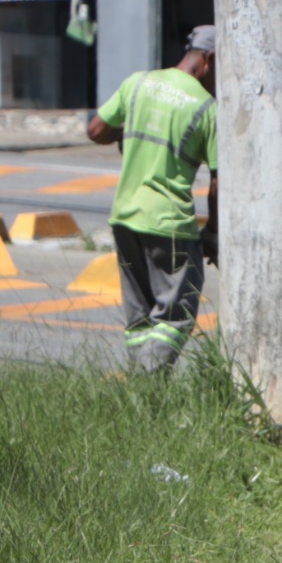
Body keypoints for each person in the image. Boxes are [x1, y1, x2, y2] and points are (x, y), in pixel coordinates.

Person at [86, 25, 220, 374]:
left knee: (140, 320)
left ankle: (141, 394)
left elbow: (96, 130)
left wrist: (128, 132)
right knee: (176, 317)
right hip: (169, 224)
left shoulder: (138, 83)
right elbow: (219, 181)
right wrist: (213, 232)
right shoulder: (207, 108)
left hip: (124, 216)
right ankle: (146, 386)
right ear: (209, 60)